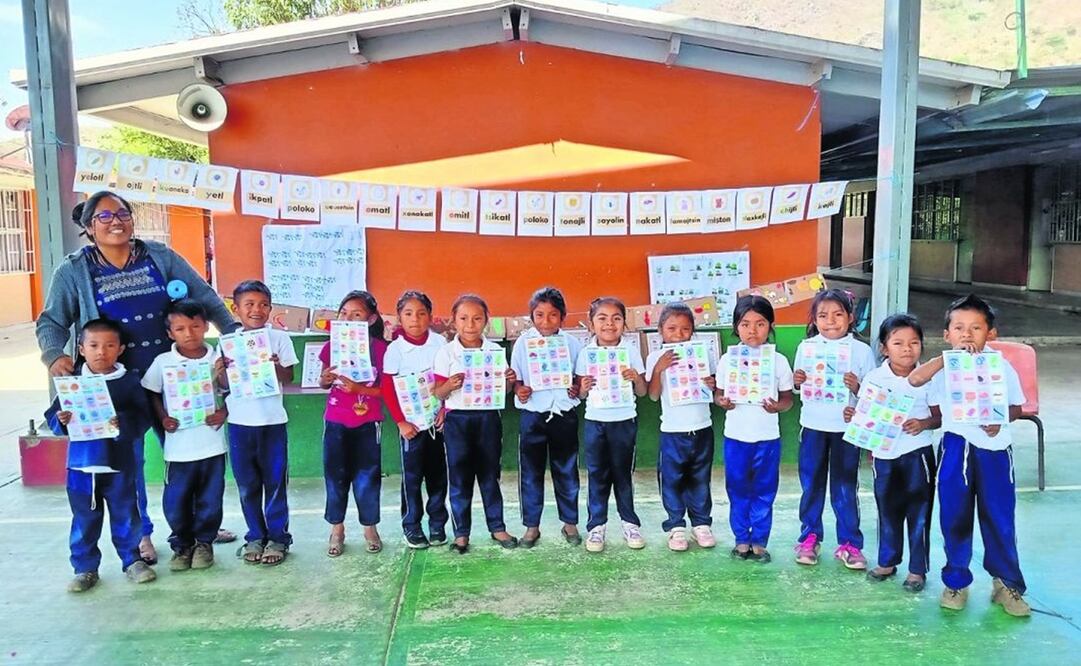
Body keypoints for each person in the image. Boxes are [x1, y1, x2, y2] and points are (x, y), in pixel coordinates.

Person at [36, 192, 238, 563]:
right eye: (104, 216)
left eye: (123, 213)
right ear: (89, 227)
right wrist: (54, 355)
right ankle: (141, 534)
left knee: (191, 454)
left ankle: (197, 528)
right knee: (128, 461)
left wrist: (234, 334)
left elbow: (203, 296)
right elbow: (51, 321)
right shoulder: (74, 270)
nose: (116, 221)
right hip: (116, 384)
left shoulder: (159, 257)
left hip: (173, 380)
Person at [908, 294, 1030, 616]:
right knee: (955, 517)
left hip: (995, 450)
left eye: (976, 328)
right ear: (946, 334)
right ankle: (956, 581)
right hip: (956, 446)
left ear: (991, 334)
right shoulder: (943, 367)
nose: (967, 334)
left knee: (1000, 518)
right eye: (958, 328)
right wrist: (947, 358)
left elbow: (1017, 406)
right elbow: (915, 379)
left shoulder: (1001, 366)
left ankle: (1006, 584)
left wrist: (999, 417)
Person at [45, 318, 157, 591]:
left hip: (119, 465)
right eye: (93, 345)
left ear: (120, 349)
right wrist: (62, 419)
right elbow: (52, 418)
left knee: (126, 515)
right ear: (81, 349)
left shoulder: (128, 381)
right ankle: (85, 568)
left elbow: (144, 416)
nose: (101, 352)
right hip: (82, 468)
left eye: (109, 345)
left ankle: (132, 561)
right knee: (84, 521)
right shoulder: (72, 384)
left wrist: (124, 422)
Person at [848, 314, 940, 593]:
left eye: (914, 342)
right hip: (884, 456)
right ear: (884, 348)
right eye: (898, 342)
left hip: (918, 453)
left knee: (920, 511)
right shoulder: (875, 378)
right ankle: (887, 561)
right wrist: (853, 415)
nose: (907, 348)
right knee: (887, 509)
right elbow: (863, 415)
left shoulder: (930, 377)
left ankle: (917, 569)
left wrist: (923, 423)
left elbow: (940, 416)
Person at [141, 299, 229, 571]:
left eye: (195, 326)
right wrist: (163, 417)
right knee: (176, 501)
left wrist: (224, 411)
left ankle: (204, 543)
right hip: (178, 449)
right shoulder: (163, 362)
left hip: (213, 445)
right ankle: (182, 545)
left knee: (211, 499)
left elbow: (232, 390)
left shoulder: (218, 359)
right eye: (180, 328)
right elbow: (152, 391)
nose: (189, 333)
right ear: (170, 334)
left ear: (206, 328)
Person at [792, 289, 876, 568]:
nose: (831, 321)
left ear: (850, 318)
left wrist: (858, 388)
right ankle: (809, 538)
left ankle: (850, 543)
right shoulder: (807, 347)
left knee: (845, 486)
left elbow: (873, 397)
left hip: (846, 429)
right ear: (814, 320)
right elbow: (797, 386)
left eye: (838, 314)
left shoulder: (861, 351)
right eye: (823, 315)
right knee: (812, 484)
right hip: (813, 425)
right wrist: (798, 379)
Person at [432, 294, 519, 553]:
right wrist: (450, 384)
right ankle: (461, 534)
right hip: (458, 419)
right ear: (454, 321)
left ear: (486, 321)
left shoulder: (493, 352)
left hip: (487, 418)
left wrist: (509, 381)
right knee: (459, 477)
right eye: (463, 318)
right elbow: (438, 392)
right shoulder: (446, 353)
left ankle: (497, 527)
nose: (470, 324)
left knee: (490, 475)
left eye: (477, 318)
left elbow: (503, 392)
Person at [224, 280, 298, 565]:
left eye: (263, 304)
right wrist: (221, 371)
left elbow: (288, 377)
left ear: (270, 308)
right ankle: (255, 535)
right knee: (247, 484)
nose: (256, 310)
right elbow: (222, 385)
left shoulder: (278, 339)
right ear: (236, 309)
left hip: (272, 423)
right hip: (240, 424)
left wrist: (274, 364)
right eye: (249, 305)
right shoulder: (229, 343)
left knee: (276, 482)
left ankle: (278, 538)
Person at [715, 296, 793, 563]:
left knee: (764, 489)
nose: (752, 330)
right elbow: (719, 395)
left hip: (767, 438)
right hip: (736, 437)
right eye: (745, 324)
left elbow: (787, 399)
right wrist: (722, 402)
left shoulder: (779, 361)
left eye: (760, 324)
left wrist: (776, 407)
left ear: (770, 326)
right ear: (736, 327)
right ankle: (741, 539)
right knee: (737, 489)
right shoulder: (728, 360)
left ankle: (759, 540)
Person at [510, 287, 584, 548]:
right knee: (530, 473)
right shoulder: (523, 343)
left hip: (564, 414)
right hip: (533, 415)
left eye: (553, 315)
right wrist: (520, 389)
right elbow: (516, 380)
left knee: (566, 471)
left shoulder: (573, 344)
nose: (546, 321)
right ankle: (532, 527)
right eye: (539, 315)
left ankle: (570, 523)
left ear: (563, 317)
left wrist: (576, 387)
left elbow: (579, 380)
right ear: (531, 317)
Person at [575, 297, 647, 553]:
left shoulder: (630, 351)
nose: (609, 324)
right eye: (602, 318)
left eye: (616, 318)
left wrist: (636, 378)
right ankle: (597, 527)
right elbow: (582, 395)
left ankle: (630, 523)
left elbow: (642, 391)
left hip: (624, 421)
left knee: (623, 475)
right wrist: (582, 388)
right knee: (597, 476)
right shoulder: (586, 353)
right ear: (591, 323)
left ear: (624, 324)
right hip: (596, 422)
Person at [319, 291, 388, 557]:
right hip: (336, 420)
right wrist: (326, 379)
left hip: (368, 422)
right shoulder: (331, 346)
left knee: (367, 477)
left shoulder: (381, 349)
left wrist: (360, 388)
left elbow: (387, 391)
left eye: (356, 314)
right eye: (344, 313)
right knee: (335, 477)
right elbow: (323, 383)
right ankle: (337, 529)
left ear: (370, 319)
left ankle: (370, 527)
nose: (348, 318)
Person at [380, 290, 450, 550]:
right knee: (412, 478)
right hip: (411, 426)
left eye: (421, 313)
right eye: (408, 314)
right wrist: (400, 422)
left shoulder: (441, 344)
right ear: (399, 317)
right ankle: (412, 526)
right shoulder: (395, 350)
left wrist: (445, 409)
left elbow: (446, 380)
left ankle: (437, 525)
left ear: (430, 316)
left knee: (438, 476)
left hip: (437, 423)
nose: (415, 319)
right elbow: (388, 388)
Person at [646, 302, 718, 552]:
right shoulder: (656, 357)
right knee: (672, 480)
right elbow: (653, 396)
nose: (678, 335)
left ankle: (701, 524)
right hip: (672, 431)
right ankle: (676, 525)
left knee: (700, 478)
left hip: (702, 427)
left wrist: (712, 383)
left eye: (685, 329)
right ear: (660, 330)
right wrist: (659, 370)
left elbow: (715, 388)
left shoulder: (702, 353)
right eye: (671, 328)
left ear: (693, 331)